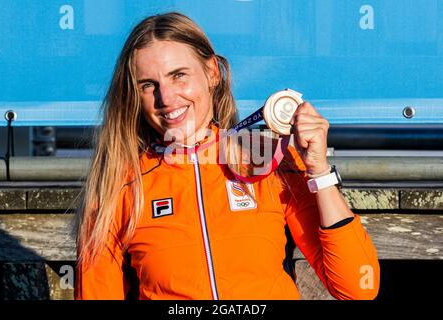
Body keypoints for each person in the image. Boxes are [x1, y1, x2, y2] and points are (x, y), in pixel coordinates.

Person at [75, 12, 380, 300]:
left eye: (179, 76)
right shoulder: (121, 183)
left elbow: (357, 286)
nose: (165, 98)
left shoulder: (266, 160)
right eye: (148, 85)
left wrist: (319, 171)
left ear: (212, 73)